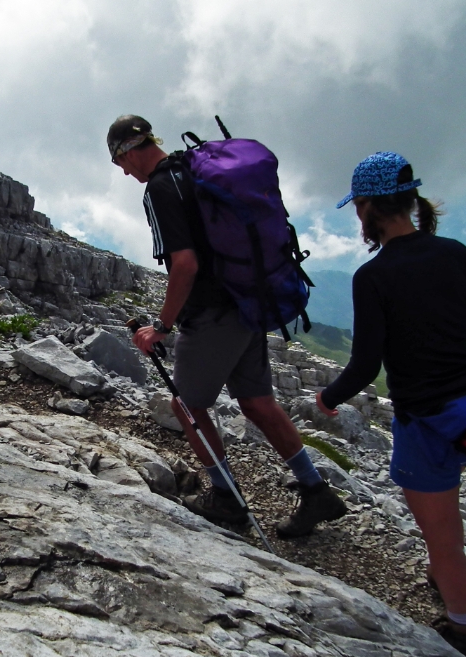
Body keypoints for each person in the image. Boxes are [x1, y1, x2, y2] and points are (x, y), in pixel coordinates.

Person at [317, 151, 466, 657]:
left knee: (442, 538)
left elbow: (366, 364)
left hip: (424, 420)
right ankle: (447, 577)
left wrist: (328, 398)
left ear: (366, 207)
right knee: (446, 522)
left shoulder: (373, 276)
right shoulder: (455, 253)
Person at [107, 114, 348, 538]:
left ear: (127, 151)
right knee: (257, 402)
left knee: (188, 406)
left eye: (119, 162)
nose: (124, 172)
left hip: (213, 313)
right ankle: (316, 490)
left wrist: (161, 326)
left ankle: (227, 500)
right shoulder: (192, 169)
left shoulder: (161, 188)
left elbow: (185, 264)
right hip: (248, 299)